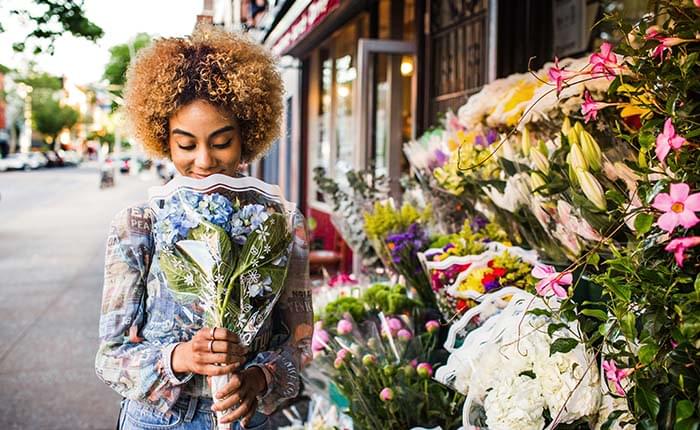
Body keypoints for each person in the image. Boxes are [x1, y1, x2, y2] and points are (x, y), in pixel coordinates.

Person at [95, 25, 313, 430]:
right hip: (156, 420)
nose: (204, 160)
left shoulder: (283, 222)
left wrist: (257, 379)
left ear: (247, 136)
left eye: (221, 141)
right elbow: (110, 357)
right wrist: (180, 357)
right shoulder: (138, 225)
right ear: (164, 140)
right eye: (187, 144)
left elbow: (297, 345)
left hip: (247, 418)